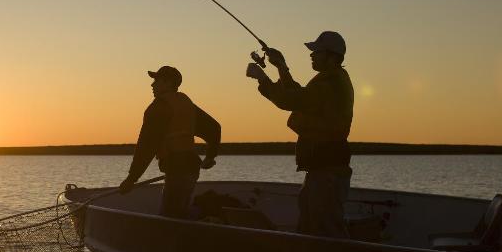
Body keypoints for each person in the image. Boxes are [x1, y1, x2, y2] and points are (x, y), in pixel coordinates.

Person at [246, 31, 354, 238]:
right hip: (322, 169)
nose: (311, 55)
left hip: (327, 172)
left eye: (316, 52)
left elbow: (291, 100)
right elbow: (300, 96)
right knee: (312, 226)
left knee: (326, 231)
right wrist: (281, 66)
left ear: (331, 56)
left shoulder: (330, 85)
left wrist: (262, 79)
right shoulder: (329, 80)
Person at [119, 66, 221, 218]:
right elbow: (214, 128)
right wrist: (210, 156)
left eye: (156, 81)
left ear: (168, 83)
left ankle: (210, 216)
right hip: (191, 168)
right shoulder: (187, 105)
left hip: (177, 169)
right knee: (179, 212)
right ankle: (206, 218)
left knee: (171, 216)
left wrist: (131, 179)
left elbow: (146, 148)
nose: (152, 85)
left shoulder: (157, 108)